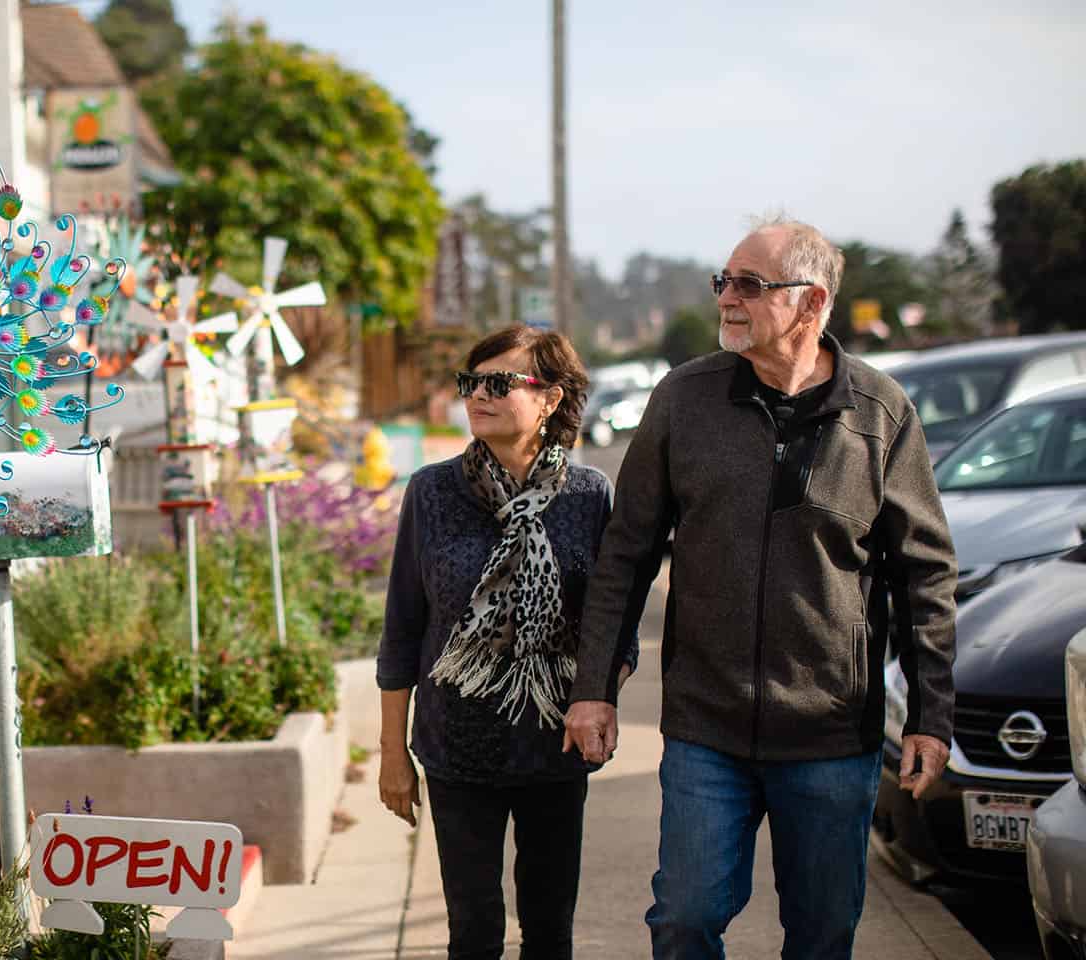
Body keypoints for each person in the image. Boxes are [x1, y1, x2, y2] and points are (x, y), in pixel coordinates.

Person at [563, 217, 957, 959]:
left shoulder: (880, 414)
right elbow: (625, 553)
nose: (727, 298)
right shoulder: (685, 398)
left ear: (810, 304)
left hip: (832, 735)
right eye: (724, 280)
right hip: (707, 726)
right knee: (683, 919)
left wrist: (932, 715)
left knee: (821, 933)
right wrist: (594, 688)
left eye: (749, 283)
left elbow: (926, 573)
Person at [377, 326, 633, 960]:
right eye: (472, 383)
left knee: (549, 931)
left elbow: (612, 620)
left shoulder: (588, 496)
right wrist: (392, 751)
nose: (478, 396)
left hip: (555, 742)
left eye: (499, 383)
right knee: (473, 931)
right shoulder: (432, 492)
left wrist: (601, 697)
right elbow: (403, 626)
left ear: (550, 399)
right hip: (456, 743)